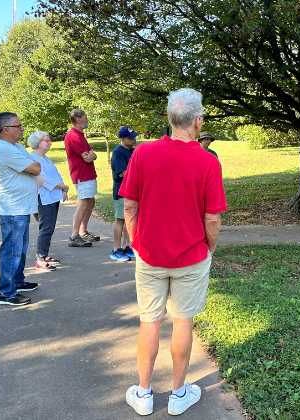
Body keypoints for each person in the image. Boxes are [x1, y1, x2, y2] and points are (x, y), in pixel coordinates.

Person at [119, 88, 227, 417]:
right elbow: (213, 218)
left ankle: (143, 392)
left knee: (149, 322)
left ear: (169, 118)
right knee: (183, 321)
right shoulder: (208, 162)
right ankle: (179, 392)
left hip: (150, 256)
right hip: (191, 256)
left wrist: (137, 242)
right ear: (198, 121)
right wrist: (209, 246)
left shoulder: (143, 154)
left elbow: (129, 206)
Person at [0, 112, 40, 306]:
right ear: (5, 129)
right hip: (11, 208)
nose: (21, 129)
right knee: (12, 250)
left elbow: (35, 165)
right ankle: (6, 293)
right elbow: (35, 168)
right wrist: (32, 166)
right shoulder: (3, 149)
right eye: (17, 126)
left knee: (20, 248)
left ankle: (17, 281)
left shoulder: (16, 146)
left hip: (20, 206)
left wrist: (32, 166)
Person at [29, 131, 69, 270]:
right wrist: (62, 186)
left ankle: (44, 254)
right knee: (46, 228)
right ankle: (40, 258)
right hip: (44, 198)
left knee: (49, 227)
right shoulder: (33, 158)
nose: (49, 142)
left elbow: (56, 175)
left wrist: (63, 189)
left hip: (52, 197)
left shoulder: (45, 158)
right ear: (38, 143)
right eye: (46, 140)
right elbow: (43, 180)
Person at [64, 109, 98, 247]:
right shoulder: (73, 136)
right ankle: (74, 235)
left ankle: (83, 231)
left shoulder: (79, 134)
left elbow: (91, 155)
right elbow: (89, 157)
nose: (87, 120)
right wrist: (92, 155)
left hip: (87, 174)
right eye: (85, 117)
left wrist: (92, 155)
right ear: (78, 119)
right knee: (84, 202)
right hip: (81, 174)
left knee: (90, 201)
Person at [109, 126, 136, 262]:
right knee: (120, 220)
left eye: (134, 137)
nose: (134, 140)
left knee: (129, 221)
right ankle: (116, 249)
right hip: (121, 191)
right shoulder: (118, 152)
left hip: (131, 191)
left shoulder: (132, 151)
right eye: (131, 138)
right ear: (123, 138)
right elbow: (122, 173)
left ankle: (127, 246)